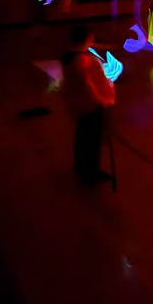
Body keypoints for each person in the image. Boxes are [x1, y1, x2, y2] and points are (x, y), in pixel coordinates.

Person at [61, 26, 116, 185]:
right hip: (90, 105)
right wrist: (101, 99)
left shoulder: (70, 57)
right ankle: (91, 171)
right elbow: (88, 84)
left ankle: (80, 166)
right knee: (92, 138)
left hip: (79, 105)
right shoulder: (83, 60)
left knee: (83, 136)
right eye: (91, 38)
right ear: (88, 38)